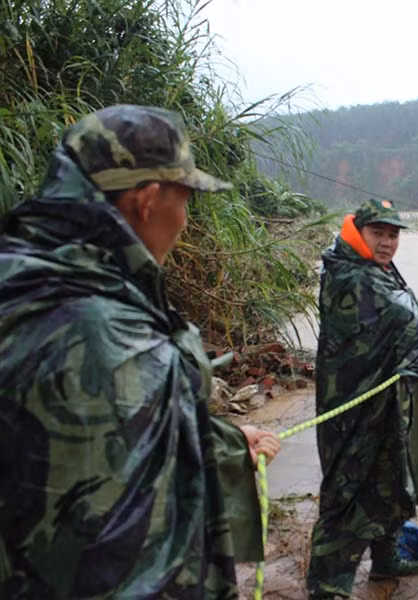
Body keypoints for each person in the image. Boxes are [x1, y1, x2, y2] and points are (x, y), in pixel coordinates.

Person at [0, 105, 281, 597]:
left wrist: (230, 442)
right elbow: (118, 552)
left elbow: (86, 440)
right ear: (148, 200)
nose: (185, 219)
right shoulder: (103, 330)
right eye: (186, 200)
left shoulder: (28, 273)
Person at [307, 198, 418, 599]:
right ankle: (327, 587)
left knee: (390, 482)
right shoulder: (352, 275)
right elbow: (404, 322)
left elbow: (404, 313)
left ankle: (386, 560)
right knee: (348, 495)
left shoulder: (373, 268)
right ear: (358, 232)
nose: (387, 242)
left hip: (382, 403)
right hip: (354, 411)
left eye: (393, 234)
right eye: (378, 232)